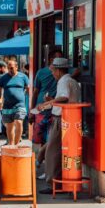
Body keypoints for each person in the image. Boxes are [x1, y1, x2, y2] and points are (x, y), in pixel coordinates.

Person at [36, 57, 81, 194]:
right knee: (57, 151)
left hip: (62, 119)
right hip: (70, 119)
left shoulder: (63, 81)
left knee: (52, 152)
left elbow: (64, 97)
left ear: (58, 70)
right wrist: (52, 101)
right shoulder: (71, 81)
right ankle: (58, 180)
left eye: (53, 71)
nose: (53, 74)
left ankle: (52, 183)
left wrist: (47, 103)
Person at [30, 50, 62, 175]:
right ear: (50, 60)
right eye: (56, 58)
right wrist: (31, 111)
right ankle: (44, 167)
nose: (58, 62)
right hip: (41, 110)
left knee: (51, 140)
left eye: (60, 58)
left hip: (55, 111)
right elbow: (36, 92)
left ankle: (43, 166)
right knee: (41, 139)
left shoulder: (64, 75)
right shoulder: (41, 73)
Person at [0, 60, 30, 145]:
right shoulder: (3, 78)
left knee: (19, 122)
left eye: (12, 68)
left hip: (20, 105)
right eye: (8, 68)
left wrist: (28, 100)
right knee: (9, 127)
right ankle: (11, 145)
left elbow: (29, 90)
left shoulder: (23, 77)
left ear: (16, 67)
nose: (10, 70)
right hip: (7, 106)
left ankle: (16, 145)